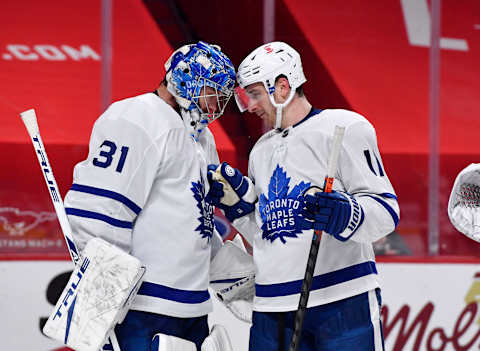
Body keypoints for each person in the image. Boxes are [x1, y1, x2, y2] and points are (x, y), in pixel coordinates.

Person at [207, 41, 400, 350]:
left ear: (282, 87)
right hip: (272, 308)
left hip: (342, 299)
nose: (251, 106)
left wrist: (347, 213)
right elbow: (268, 236)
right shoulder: (260, 151)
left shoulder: (345, 127)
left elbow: (386, 212)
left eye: (254, 94)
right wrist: (240, 211)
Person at [63, 41, 236, 350]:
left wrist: (230, 273)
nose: (215, 107)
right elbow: (97, 211)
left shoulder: (201, 136)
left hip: (194, 308)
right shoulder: (136, 117)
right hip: (142, 309)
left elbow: (196, 221)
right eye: (211, 92)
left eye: (221, 98)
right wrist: (105, 299)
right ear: (185, 80)